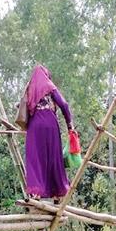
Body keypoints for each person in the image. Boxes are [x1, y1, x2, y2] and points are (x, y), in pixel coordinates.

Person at [22, 64, 74, 199]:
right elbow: (64, 105)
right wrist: (70, 124)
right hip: (50, 125)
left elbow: (23, 106)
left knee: (35, 158)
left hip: (35, 126)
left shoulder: (30, 89)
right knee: (54, 156)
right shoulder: (50, 87)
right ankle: (57, 194)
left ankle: (36, 193)